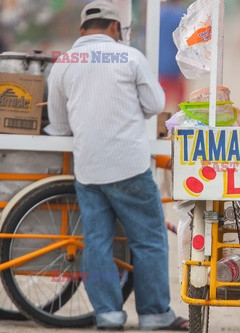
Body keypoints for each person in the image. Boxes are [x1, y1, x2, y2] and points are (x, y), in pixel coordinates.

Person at [45, 1, 188, 331]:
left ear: (82, 31)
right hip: (129, 168)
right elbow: (154, 105)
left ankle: (108, 315)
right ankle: (154, 316)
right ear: (114, 28)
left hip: (89, 169)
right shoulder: (131, 57)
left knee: (96, 242)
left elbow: (58, 124)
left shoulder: (65, 62)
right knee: (149, 240)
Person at [157, 0, 187, 137]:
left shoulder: (159, 14)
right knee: (180, 103)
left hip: (161, 63)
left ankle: (160, 133)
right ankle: (179, 133)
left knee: (161, 103)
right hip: (177, 64)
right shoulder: (182, 14)